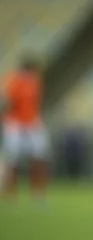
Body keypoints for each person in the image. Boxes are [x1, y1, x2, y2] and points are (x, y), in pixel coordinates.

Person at [0, 57, 49, 202]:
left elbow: (35, 104)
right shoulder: (14, 81)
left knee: (40, 156)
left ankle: (38, 192)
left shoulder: (36, 82)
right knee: (13, 158)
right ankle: (11, 192)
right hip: (14, 122)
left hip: (32, 121)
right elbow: (7, 102)